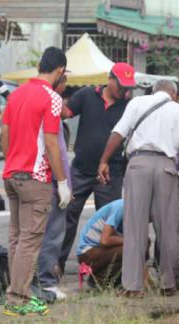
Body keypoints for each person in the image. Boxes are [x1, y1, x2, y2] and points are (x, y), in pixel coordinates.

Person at [98, 80, 179, 297]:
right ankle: (168, 284)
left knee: (135, 227)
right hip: (167, 168)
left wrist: (104, 160)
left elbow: (118, 133)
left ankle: (133, 287)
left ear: (153, 91)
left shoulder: (137, 103)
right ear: (175, 95)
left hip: (139, 165)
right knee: (167, 227)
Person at [1, 46, 71, 316]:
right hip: (36, 177)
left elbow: (4, 134)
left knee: (17, 238)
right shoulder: (51, 98)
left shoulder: (16, 94)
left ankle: (16, 293)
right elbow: (52, 141)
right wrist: (62, 181)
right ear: (60, 70)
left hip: (11, 174)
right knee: (30, 241)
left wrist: (12, 162)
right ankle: (18, 298)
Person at [58, 62, 136, 273]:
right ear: (110, 79)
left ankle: (106, 272)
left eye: (128, 87)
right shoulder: (86, 95)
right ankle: (56, 266)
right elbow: (65, 113)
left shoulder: (129, 106)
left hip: (111, 173)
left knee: (110, 224)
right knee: (67, 217)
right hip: (81, 169)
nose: (124, 91)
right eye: (121, 86)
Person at [34, 74, 71, 301]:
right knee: (53, 233)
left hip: (27, 173)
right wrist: (63, 181)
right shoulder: (52, 102)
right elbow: (56, 149)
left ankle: (26, 282)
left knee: (27, 234)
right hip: (49, 177)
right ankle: (46, 282)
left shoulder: (24, 100)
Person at [77, 199, 124, 288]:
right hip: (88, 253)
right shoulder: (121, 207)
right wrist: (130, 240)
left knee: (143, 243)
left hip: (101, 251)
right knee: (129, 248)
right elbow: (105, 240)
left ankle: (117, 280)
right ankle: (99, 280)